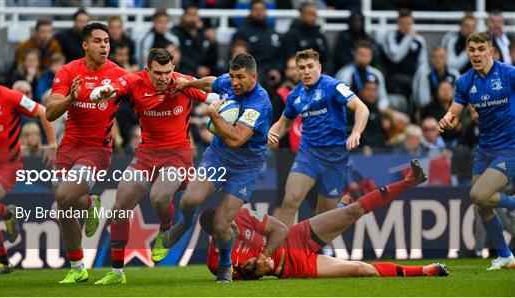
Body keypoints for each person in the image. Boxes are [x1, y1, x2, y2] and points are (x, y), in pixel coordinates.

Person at [89, 48, 219, 285]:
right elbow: (112, 88)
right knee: (120, 209)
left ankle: (165, 230)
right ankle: (117, 272)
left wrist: (213, 97)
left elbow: (216, 91)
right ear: (147, 69)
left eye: (168, 72)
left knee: (159, 197)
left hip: (178, 154)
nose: (164, 78)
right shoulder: (135, 81)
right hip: (146, 155)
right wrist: (101, 93)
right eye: (158, 73)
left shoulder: (182, 82)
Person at [201, 159, 449, 280]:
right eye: (227, 225)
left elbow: (280, 229)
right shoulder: (216, 263)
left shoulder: (241, 215)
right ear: (215, 234)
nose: (233, 224)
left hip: (295, 237)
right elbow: (250, 278)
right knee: (360, 270)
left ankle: (407, 182)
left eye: (230, 219)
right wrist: (258, 270)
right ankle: (424, 271)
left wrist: (263, 257)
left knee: (351, 213)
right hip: (293, 267)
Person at [161, 53, 273, 283]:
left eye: (240, 77)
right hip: (218, 157)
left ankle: (224, 264)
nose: (234, 82)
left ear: (254, 76)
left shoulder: (259, 103)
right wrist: (188, 83)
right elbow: (212, 81)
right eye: (232, 76)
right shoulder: (230, 83)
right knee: (188, 201)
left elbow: (236, 139)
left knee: (221, 225)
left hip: (245, 168)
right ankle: (186, 222)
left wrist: (213, 114)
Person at [46, 22, 130, 284]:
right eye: (98, 41)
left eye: (106, 41)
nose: (104, 45)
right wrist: (70, 100)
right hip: (68, 146)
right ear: (85, 45)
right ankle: (78, 266)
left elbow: (143, 89)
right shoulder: (69, 70)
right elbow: (49, 113)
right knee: (64, 207)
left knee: (63, 196)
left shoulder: (118, 74)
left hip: (97, 151)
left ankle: (89, 203)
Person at [438, 31, 515, 270]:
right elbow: (456, 109)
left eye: (481, 49)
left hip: (510, 148)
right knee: (482, 205)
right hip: (485, 148)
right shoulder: (465, 81)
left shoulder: (508, 74)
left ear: (491, 50)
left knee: (478, 195)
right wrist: (447, 118)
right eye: (472, 50)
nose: (476, 54)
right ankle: (505, 255)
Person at [268, 48, 369, 227]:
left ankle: (314, 247)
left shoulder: (333, 86)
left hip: (334, 158)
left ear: (319, 67)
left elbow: (362, 108)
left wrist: (356, 132)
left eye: (310, 66)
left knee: (324, 216)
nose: (306, 71)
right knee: (290, 199)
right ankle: (278, 250)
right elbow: (283, 124)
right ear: (296, 71)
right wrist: (269, 136)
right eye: (301, 68)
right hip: (308, 155)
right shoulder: (295, 96)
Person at [0, 57, 56, 275]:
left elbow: (43, 112)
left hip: (9, 163)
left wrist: (52, 144)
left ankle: (9, 214)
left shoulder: (10, 96)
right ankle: (4, 262)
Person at [232, 0, 282, 86]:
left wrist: (277, 69)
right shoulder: (242, 33)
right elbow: (237, 57)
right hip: (251, 71)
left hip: (272, 72)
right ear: (250, 11)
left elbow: (280, 55)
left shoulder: (273, 33)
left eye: (262, 9)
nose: (259, 12)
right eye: (256, 9)